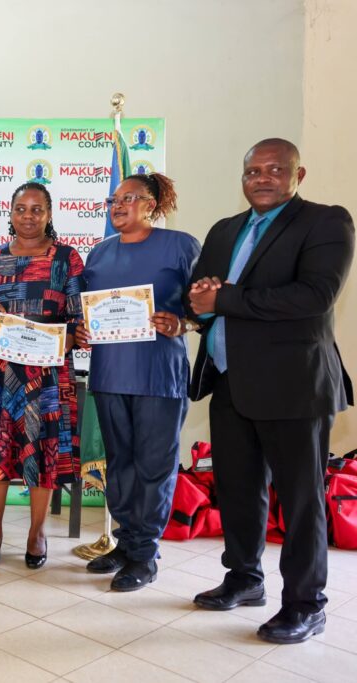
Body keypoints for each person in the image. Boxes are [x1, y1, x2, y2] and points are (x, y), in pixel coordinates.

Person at [186, 139, 354, 644]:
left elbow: (314, 296)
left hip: (293, 385)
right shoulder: (225, 230)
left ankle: (306, 604)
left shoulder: (325, 222)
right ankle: (244, 579)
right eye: (253, 171)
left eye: (276, 169)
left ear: (298, 175)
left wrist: (224, 299)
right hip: (229, 380)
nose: (262, 178)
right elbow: (200, 296)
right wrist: (191, 307)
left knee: (301, 501)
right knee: (238, 489)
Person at [75, 172, 200, 591]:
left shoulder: (181, 246)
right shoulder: (99, 252)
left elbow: (206, 305)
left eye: (129, 198)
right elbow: (89, 309)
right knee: (120, 465)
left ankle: (145, 555)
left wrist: (182, 323)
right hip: (110, 373)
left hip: (158, 374)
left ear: (152, 204)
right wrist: (82, 330)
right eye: (114, 199)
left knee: (153, 466)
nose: (118, 205)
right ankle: (126, 543)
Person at [0, 182, 83, 569]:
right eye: (21, 209)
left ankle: (37, 532)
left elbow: (78, 319)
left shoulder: (66, 259)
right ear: (11, 213)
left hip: (47, 377)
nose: (28, 216)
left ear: (49, 214)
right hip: (1, 375)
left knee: (43, 455)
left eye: (37, 209)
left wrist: (57, 341)